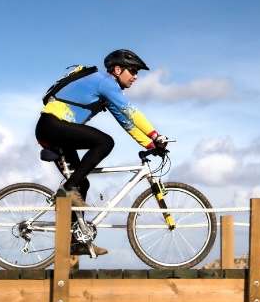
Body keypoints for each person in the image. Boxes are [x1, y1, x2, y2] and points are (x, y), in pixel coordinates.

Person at [35, 49, 168, 256]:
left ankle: (73, 240)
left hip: (53, 131)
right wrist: (156, 135)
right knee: (105, 142)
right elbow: (132, 111)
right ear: (117, 70)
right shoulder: (105, 82)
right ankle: (67, 190)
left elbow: (127, 122)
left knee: (83, 182)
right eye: (132, 71)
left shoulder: (107, 92)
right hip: (53, 126)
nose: (135, 77)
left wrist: (150, 145)